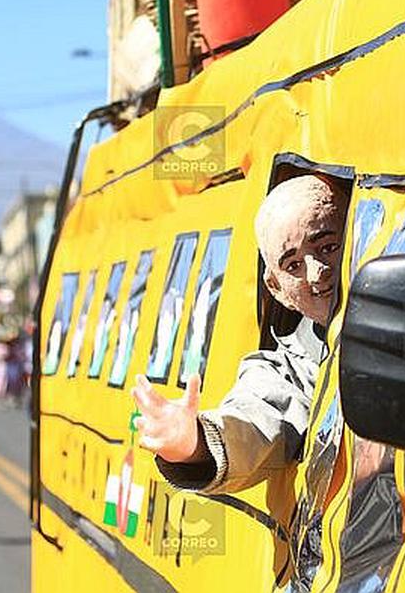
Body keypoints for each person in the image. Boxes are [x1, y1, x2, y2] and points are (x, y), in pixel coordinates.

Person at [130, 174, 346, 494]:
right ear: (276, 288)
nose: (317, 273)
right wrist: (195, 442)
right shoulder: (293, 370)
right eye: (293, 266)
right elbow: (257, 417)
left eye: (328, 247)